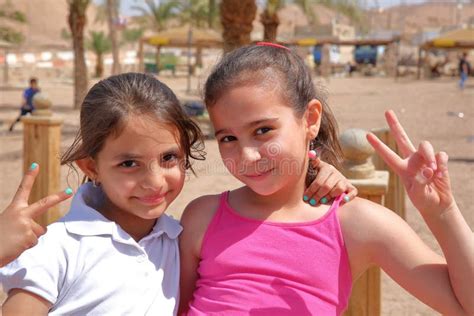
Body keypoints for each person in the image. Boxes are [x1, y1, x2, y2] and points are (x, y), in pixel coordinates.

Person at [0, 72, 356, 315]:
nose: (154, 182)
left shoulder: (178, 238)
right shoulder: (57, 247)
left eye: (169, 158)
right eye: (129, 164)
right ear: (91, 167)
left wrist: (315, 172)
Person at [179, 44, 474, 315]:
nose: (248, 156)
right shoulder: (202, 217)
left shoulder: (355, 224)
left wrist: (442, 213)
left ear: (310, 119)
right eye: (228, 138)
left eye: (263, 130)